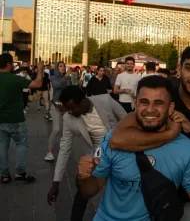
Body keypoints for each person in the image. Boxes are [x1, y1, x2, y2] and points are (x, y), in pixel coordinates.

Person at [109, 45, 190, 221]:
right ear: (179, 69)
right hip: (163, 195)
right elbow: (117, 139)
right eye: (189, 68)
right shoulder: (164, 97)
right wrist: (170, 134)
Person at [77, 76, 190, 220]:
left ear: (170, 107)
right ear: (135, 103)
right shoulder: (112, 138)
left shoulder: (187, 147)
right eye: (144, 102)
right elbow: (90, 190)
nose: (150, 109)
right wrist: (84, 177)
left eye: (158, 103)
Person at [47, 86, 127, 220]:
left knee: (122, 190)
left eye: (72, 108)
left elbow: (128, 122)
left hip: (121, 152)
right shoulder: (68, 118)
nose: (70, 112)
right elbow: (64, 149)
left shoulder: (106, 101)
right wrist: (56, 183)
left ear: (83, 101)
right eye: (67, 110)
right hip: (97, 156)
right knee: (83, 191)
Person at [0, 54, 44, 184]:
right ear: (8, 64)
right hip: (16, 119)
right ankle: (20, 172)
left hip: (0, 120)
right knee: (21, 144)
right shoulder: (16, 79)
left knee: (2, 146)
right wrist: (40, 69)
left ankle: (4, 175)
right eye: (12, 63)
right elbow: (38, 84)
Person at [45, 61, 73, 161]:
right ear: (57, 68)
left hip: (66, 106)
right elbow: (58, 86)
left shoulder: (67, 77)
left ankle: (65, 151)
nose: (63, 68)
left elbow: (69, 89)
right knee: (56, 129)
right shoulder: (53, 77)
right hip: (56, 105)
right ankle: (49, 152)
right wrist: (66, 76)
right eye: (60, 66)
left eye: (64, 66)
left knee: (67, 130)